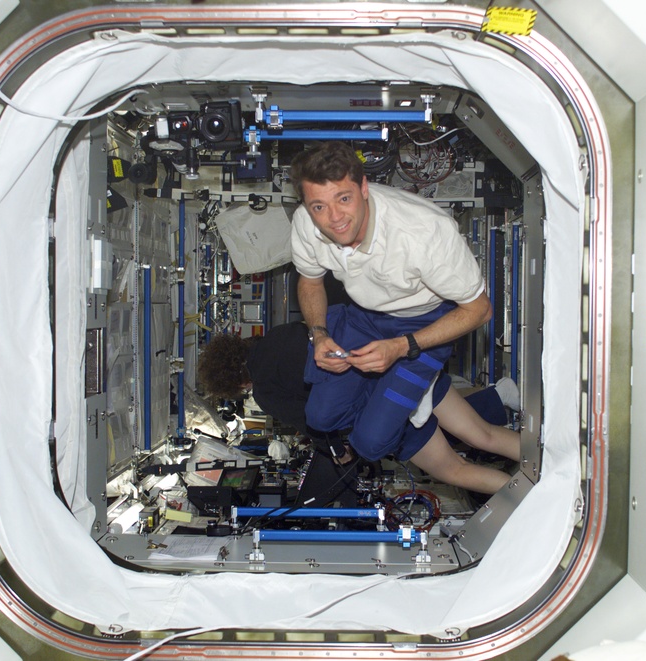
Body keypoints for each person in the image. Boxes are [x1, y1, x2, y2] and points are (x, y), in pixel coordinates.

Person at [289, 141, 493, 468]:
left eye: (344, 199)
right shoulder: (305, 223)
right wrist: (319, 334)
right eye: (319, 207)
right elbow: (310, 281)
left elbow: (480, 310)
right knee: (320, 419)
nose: (335, 218)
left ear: (364, 188)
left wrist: (401, 347)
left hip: (423, 321)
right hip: (363, 317)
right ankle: (392, 395)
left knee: (371, 444)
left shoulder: (424, 232)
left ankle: (412, 391)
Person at [197, 310, 521, 495]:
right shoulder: (279, 334)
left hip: (387, 410)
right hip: (397, 371)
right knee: (484, 435)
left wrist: (341, 454)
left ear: (235, 383)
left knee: (456, 469)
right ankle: (551, 459)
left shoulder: (265, 392)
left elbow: (319, 428)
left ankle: (532, 500)